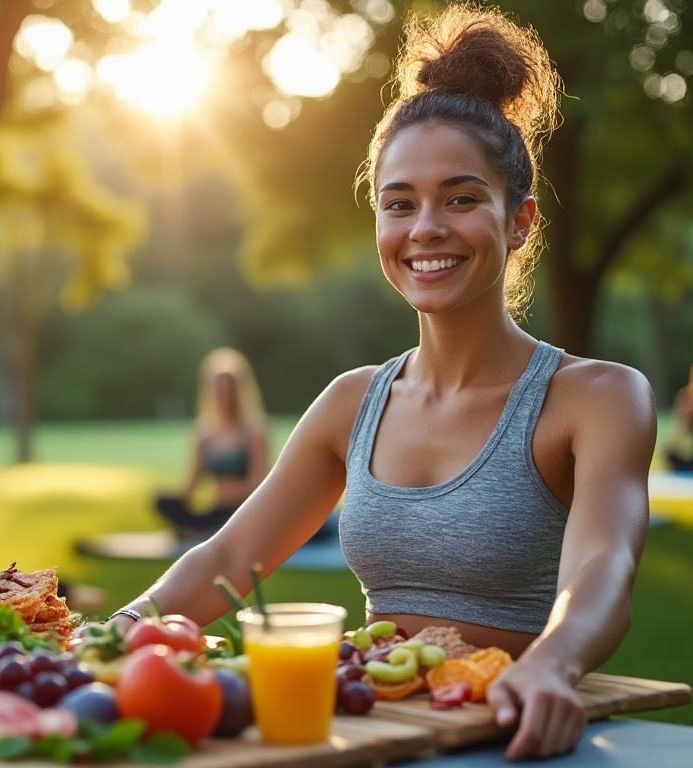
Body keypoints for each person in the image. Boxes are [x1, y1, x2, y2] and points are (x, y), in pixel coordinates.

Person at [95, 6, 656, 761]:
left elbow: (603, 565)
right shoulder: (352, 403)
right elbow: (229, 562)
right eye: (399, 204)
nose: (424, 227)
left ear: (519, 221)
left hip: (513, 732)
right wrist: (111, 633)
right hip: (374, 730)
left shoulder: (597, 398)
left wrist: (554, 663)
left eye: (460, 199)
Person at [155, 348, 270, 541]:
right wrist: (173, 497)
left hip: (245, 511)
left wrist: (234, 493)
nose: (223, 395)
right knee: (162, 502)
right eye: (218, 388)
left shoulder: (254, 430)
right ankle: (207, 530)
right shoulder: (204, 434)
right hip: (216, 511)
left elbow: (257, 483)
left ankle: (210, 532)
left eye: (228, 388)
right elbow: (191, 486)